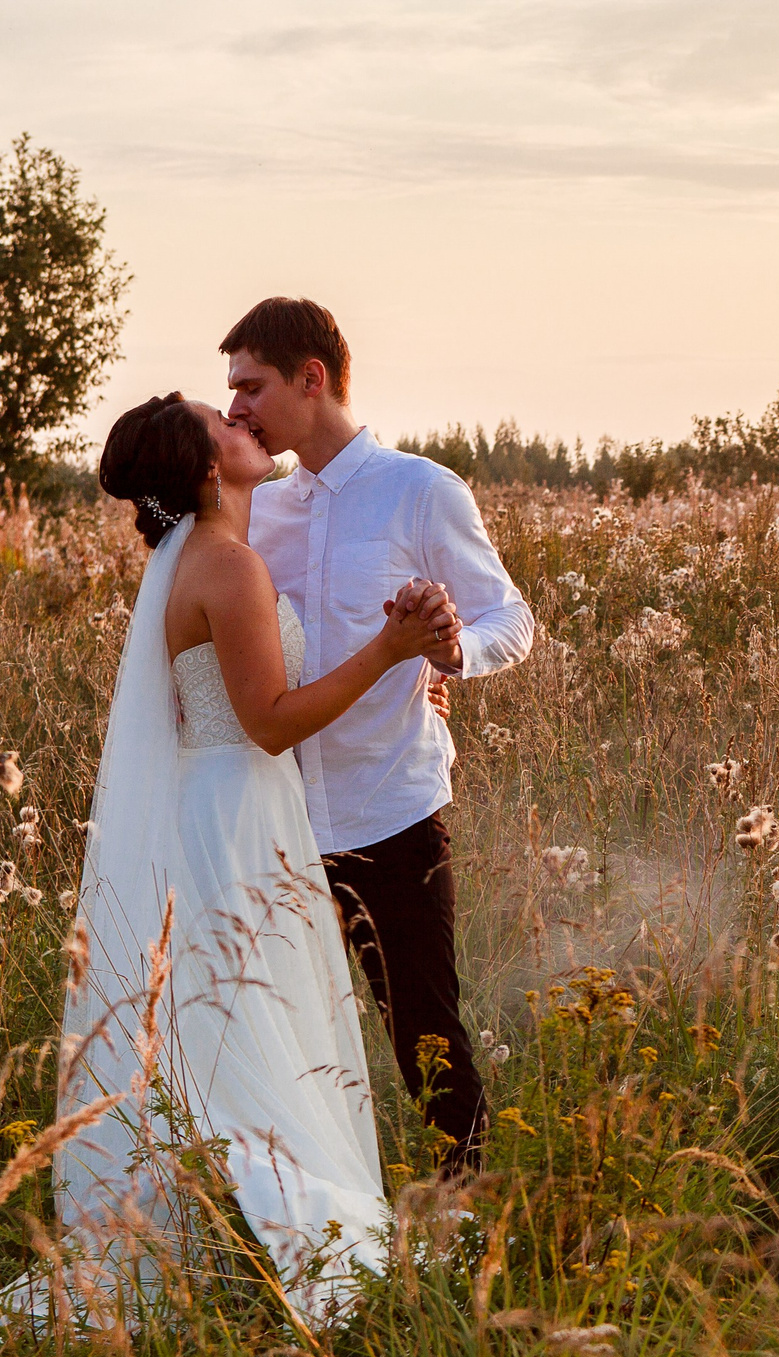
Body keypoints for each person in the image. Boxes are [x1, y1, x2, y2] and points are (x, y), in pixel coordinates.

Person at [36, 392, 458, 1326]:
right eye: (223, 425)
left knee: (235, 1030)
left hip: (227, 807)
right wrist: (392, 650)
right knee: (254, 1029)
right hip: (236, 814)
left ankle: (240, 1241)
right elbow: (268, 721)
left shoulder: (202, 559)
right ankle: (316, 1247)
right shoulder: (225, 566)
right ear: (202, 468)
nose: (245, 426)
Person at [222, 297, 536, 1173]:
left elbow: (511, 618)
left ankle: (468, 1225)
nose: (238, 406)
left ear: (310, 379)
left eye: (251, 385)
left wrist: (450, 655)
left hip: (390, 810)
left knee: (426, 1037)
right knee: (279, 1042)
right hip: (276, 820)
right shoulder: (259, 512)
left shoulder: (421, 490)